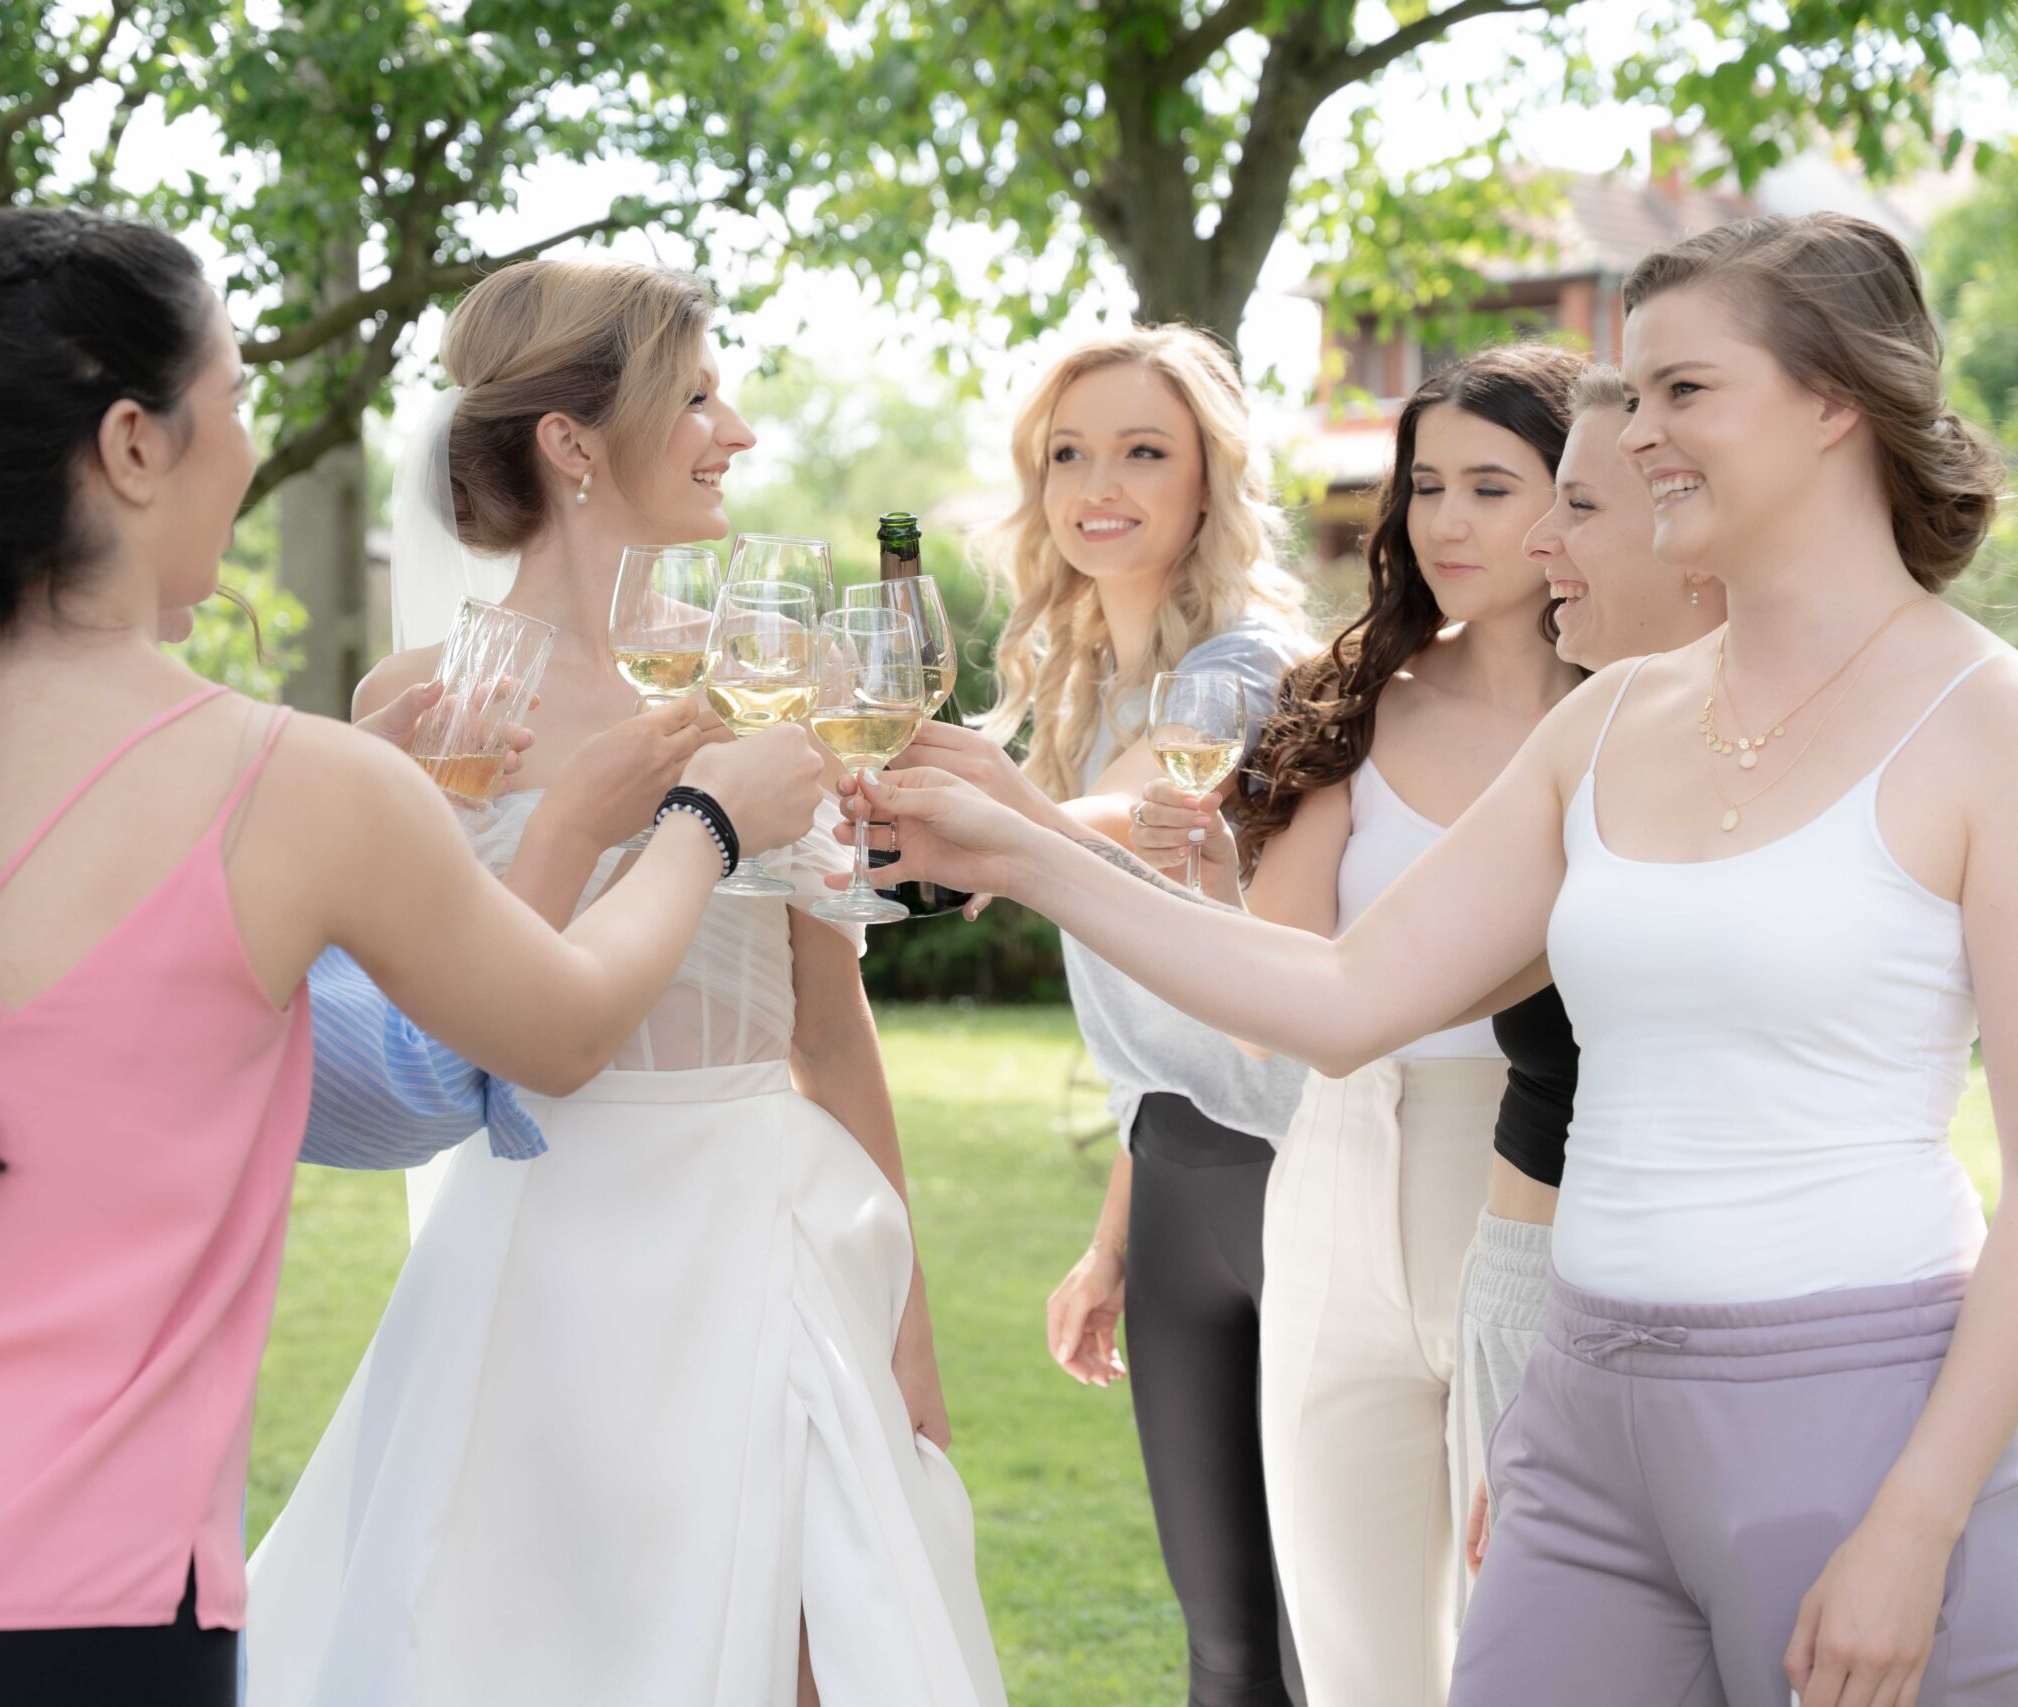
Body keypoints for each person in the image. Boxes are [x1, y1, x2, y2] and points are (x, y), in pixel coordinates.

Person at [0, 206, 822, 1707]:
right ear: (133, 446)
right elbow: (559, 1030)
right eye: (233, 401)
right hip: (89, 1634)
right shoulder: (300, 785)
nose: (248, 448)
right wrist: (705, 820)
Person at [841, 211, 2018, 1706]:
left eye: (1683, 392)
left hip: (1847, 1408)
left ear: (1836, 401)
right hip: (1581, 1415)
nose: (1636, 436)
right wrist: (1020, 847)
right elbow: (1341, 998)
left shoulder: (1984, 723)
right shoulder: (1607, 721)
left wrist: (1919, 1516)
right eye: (1634, 396)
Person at [244, 256, 1006, 1707]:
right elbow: (412, 1022)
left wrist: (907, 1329)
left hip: (767, 1230)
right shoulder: (425, 703)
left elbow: (830, 1024)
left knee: (818, 1644)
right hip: (533, 1251)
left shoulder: (775, 674)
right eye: (698, 398)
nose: (738, 432)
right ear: (571, 442)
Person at [1121, 342, 1583, 1704]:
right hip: (1335, 1168)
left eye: (1491, 486)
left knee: (1530, 1643)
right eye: (1426, 486)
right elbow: (1280, 1004)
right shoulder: (1352, 696)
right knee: (1353, 1656)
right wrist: (1214, 882)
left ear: (1577, 494)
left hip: (1538, 1176)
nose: (1445, 522)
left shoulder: (1638, 710)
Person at [916, 324, 1311, 1705]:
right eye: (1069, 454)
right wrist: (1109, 1243)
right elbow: (1162, 1041)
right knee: (1222, 1640)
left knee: (1326, 1641)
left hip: (1303, 1179)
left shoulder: (1252, 670)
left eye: (1144, 451)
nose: (1100, 486)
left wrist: (981, 822)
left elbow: (1141, 818)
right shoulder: (1080, 694)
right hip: (1179, 1183)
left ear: (1210, 478)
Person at [1453, 362, 1729, 1577]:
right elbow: (1357, 992)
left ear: (1693, 529)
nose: (1535, 541)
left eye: (1577, 505)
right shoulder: (1588, 739)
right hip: (1541, 1293)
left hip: (1713, 1338)